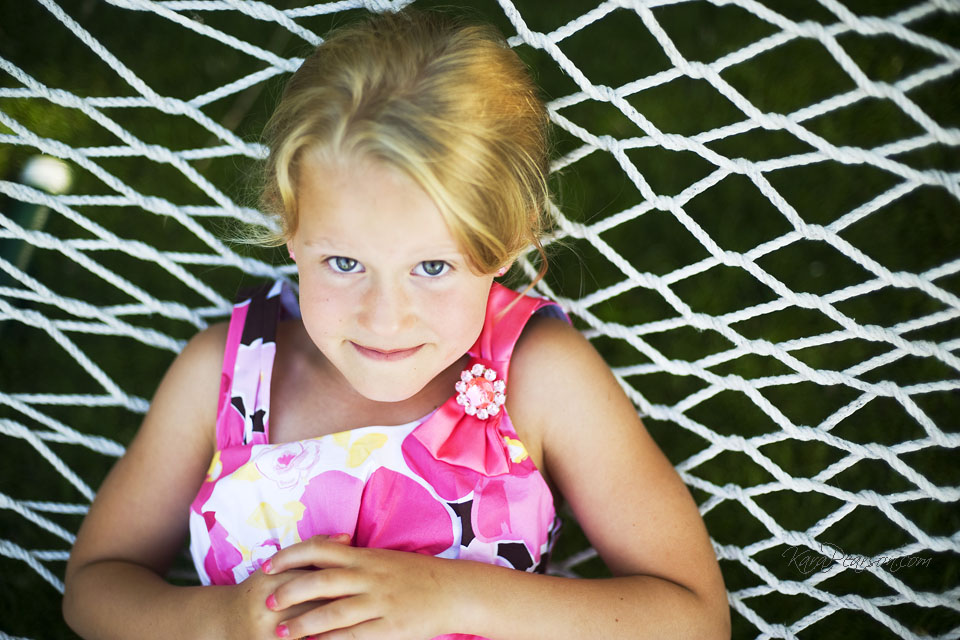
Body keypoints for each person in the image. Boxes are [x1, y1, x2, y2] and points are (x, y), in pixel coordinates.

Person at [62, 8, 730, 639]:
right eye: (345, 261)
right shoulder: (230, 377)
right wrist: (219, 623)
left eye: (433, 267)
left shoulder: (539, 378)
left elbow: (693, 617)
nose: (384, 319)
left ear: (505, 244)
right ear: (290, 231)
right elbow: (94, 588)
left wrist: (449, 593)